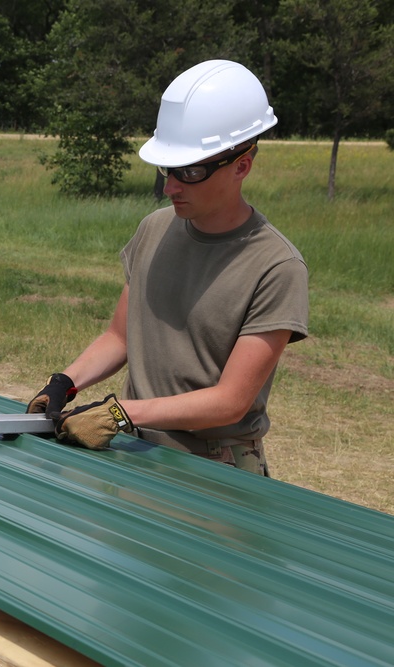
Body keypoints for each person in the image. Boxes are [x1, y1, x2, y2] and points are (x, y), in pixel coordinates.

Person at [27, 60, 308, 476]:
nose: (171, 187)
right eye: (167, 170)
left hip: (218, 466)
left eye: (190, 172)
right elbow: (119, 336)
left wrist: (120, 413)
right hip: (134, 449)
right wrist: (64, 382)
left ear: (242, 166)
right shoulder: (155, 229)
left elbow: (230, 401)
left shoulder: (276, 266)